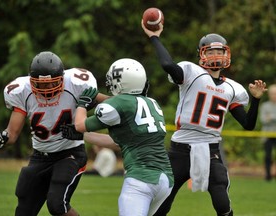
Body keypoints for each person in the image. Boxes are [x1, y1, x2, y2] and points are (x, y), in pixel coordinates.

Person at [141, 22, 267, 216]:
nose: (216, 55)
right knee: (162, 199)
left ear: (227, 54)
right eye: (211, 51)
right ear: (201, 54)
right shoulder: (191, 73)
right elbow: (167, 64)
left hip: (210, 149)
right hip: (181, 148)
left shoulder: (233, 88)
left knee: (222, 202)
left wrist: (256, 100)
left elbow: (248, 125)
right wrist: (154, 36)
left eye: (220, 51)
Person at [0, 51, 110, 216]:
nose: (46, 88)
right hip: (40, 156)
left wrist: (129, 103)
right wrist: (3, 137)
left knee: (57, 204)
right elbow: (12, 133)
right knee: (24, 210)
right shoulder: (22, 91)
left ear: (62, 79)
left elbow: (110, 102)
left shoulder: (76, 85)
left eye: (51, 83)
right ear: (31, 81)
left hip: (69, 153)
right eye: (41, 84)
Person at [63, 58, 174, 216]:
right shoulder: (151, 103)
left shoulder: (116, 106)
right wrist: (84, 135)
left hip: (141, 179)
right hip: (165, 180)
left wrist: (82, 104)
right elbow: (117, 141)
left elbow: (80, 124)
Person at [260, 84, 276, 181]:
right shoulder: (264, 106)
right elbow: (263, 120)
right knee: (268, 156)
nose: (274, 95)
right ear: (269, 94)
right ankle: (268, 176)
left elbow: (269, 119)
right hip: (267, 135)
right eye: (272, 93)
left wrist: (271, 117)